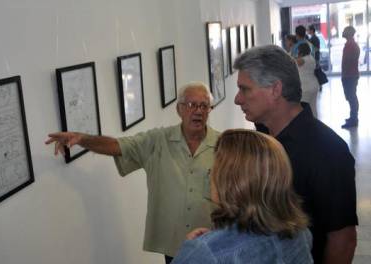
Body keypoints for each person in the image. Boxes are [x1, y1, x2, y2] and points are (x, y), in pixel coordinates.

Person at [45, 82, 220, 264]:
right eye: (192, 105)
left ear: (209, 110)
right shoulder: (157, 141)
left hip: (213, 240)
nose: (198, 111)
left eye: (204, 105)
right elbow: (118, 146)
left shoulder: (223, 144)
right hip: (174, 244)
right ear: (179, 109)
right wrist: (81, 139)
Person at [233, 45, 358, 264]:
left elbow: (343, 240)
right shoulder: (262, 136)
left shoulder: (328, 150)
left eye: (245, 89)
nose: (237, 99)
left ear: (275, 89)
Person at [171, 129, 313, 264]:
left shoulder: (206, 253)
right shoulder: (302, 234)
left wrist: (195, 251)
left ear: (231, 181)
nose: (210, 174)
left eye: (214, 168)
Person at [341, 26, 360, 128]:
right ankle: (353, 117)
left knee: (351, 97)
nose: (342, 32)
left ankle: (353, 119)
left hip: (349, 75)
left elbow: (348, 61)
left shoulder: (350, 45)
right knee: (351, 96)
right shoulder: (352, 44)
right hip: (351, 74)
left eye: (344, 30)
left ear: (348, 32)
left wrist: (344, 74)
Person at [296, 42, 320, 117]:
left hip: (305, 87)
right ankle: (315, 125)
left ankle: (306, 125)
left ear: (301, 50)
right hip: (314, 84)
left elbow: (292, 62)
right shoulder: (311, 58)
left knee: (303, 108)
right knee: (313, 108)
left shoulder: (302, 60)